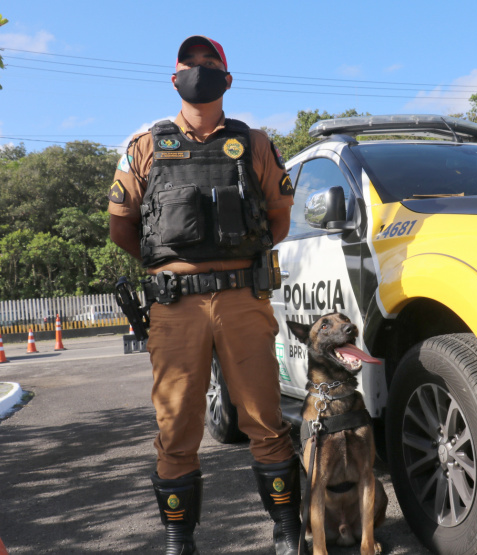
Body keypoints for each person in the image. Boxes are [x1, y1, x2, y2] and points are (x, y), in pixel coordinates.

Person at [108, 35, 304, 555]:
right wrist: (173, 265)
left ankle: (287, 533)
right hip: (175, 306)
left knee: (264, 420)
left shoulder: (254, 142)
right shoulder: (144, 144)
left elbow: (278, 218)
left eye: (209, 62)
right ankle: (179, 538)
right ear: (175, 78)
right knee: (176, 427)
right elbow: (121, 226)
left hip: (243, 300)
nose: (199, 69)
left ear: (227, 77)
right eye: (189, 63)